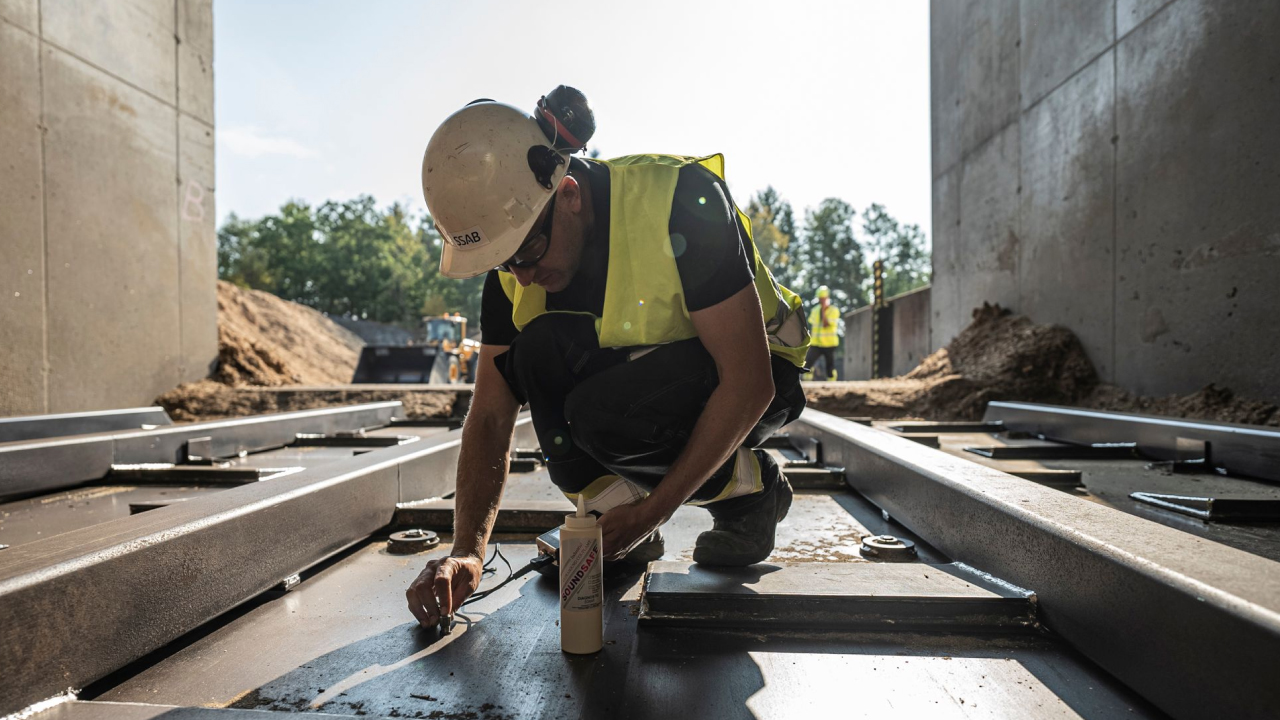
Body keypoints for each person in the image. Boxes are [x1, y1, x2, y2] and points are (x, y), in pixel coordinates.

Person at [405, 88, 810, 629]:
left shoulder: (682, 200)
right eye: (503, 264)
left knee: (603, 415)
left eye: (526, 254)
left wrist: (653, 511)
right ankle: (609, 518)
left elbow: (748, 383)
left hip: (761, 371)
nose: (519, 275)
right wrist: (468, 550)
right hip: (648, 377)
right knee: (535, 354)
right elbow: (491, 411)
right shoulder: (515, 262)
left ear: (568, 195)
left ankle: (751, 492)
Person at [805, 285, 841, 380]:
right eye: (820, 299)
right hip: (816, 343)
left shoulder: (834, 310)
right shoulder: (815, 310)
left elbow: (826, 324)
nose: (822, 301)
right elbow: (811, 324)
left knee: (830, 366)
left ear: (827, 298)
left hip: (829, 344)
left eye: (823, 299)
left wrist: (824, 311)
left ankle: (832, 383)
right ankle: (806, 383)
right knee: (808, 362)